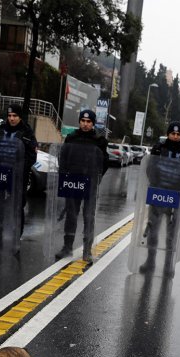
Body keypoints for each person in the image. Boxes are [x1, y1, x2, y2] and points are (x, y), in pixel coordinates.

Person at [139, 120, 180, 274]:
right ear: (168, 134)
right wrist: (156, 186)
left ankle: (168, 266)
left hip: (175, 197)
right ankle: (150, 263)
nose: (175, 136)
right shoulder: (158, 148)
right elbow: (150, 169)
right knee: (153, 231)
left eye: (178, 134)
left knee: (171, 235)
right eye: (172, 133)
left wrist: (178, 189)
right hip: (158, 194)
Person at [55, 109, 109, 262]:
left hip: (90, 184)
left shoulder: (100, 141)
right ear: (79, 122)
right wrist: (65, 177)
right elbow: (63, 158)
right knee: (71, 216)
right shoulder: (71, 138)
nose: (85, 124)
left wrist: (96, 179)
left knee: (88, 217)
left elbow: (104, 162)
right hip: (72, 182)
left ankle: (87, 250)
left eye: (89, 122)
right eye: (83, 121)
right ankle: (67, 247)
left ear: (93, 123)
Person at [0, 104, 38, 250]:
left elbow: (31, 156)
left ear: (20, 117)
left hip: (17, 177)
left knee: (17, 207)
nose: (11, 119)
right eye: (9, 116)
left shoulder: (27, 133)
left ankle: (16, 239)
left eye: (14, 116)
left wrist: (19, 169)